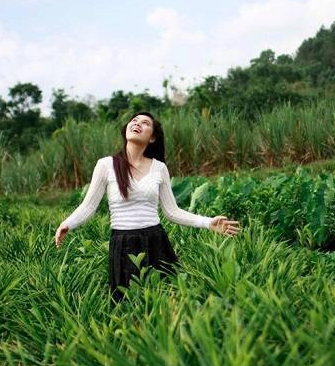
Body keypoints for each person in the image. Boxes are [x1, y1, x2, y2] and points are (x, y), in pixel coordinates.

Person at [54, 111, 240, 304]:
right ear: (126, 129)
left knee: (169, 300)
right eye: (134, 121)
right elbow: (88, 206)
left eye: (145, 123)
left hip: (156, 241)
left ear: (152, 138)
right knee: (127, 305)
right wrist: (68, 223)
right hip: (123, 244)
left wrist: (208, 223)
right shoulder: (106, 165)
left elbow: (172, 211)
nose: (137, 124)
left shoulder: (159, 168)